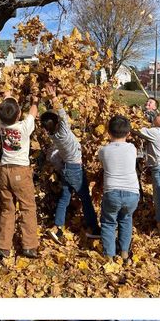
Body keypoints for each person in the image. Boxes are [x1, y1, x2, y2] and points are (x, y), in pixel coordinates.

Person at [40, 87, 100, 242]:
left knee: (65, 198)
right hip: (75, 169)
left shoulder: (53, 135)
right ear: (58, 123)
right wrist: (54, 97)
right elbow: (62, 114)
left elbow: (56, 118)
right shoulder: (64, 132)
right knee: (85, 199)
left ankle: (58, 228)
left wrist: (49, 102)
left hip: (67, 168)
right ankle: (94, 228)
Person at [0, 92, 40, 259]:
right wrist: (35, 102)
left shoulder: (1, 126)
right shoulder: (24, 127)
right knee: (28, 207)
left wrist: (7, 97)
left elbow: (4, 111)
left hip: (4, 170)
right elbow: (32, 113)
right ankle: (29, 246)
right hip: (20, 171)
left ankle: (2, 246)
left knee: (8, 208)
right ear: (19, 114)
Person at [96, 114, 140, 259]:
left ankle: (109, 255)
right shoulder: (132, 148)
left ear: (108, 132)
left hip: (112, 192)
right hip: (132, 193)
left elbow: (102, 163)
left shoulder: (103, 150)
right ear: (128, 133)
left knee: (108, 222)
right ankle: (124, 252)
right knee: (126, 219)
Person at [136, 112, 160, 226]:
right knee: (158, 196)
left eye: (158, 116)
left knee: (159, 198)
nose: (155, 116)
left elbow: (138, 130)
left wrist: (130, 123)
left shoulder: (156, 132)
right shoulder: (158, 131)